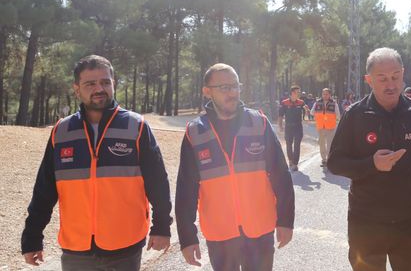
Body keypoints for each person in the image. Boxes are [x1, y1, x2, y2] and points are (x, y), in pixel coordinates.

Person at [21, 55, 172, 270]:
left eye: (105, 82)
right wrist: (32, 237)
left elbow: (157, 182)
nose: (99, 88)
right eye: (90, 84)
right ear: (77, 89)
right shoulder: (61, 131)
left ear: (114, 84)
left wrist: (162, 226)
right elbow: (44, 190)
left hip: (125, 245)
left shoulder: (136, 126)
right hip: (77, 248)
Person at [328, 47, 411, 271]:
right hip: (365, 221)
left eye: (395, 77)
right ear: (368, 80)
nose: (390, 84)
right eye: (382, 78)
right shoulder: (355, 115)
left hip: (410, 220)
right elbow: (335, 162)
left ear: (403, 74)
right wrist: (371, 164)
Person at [176, 63, 295, 270]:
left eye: (235, 86)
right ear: (207, 92)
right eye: (224, 87)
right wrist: (187, 237)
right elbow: (186, 190)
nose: (232, 92)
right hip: (220, 234)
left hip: (260, 230)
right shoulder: (194, 133)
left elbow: (281, 176)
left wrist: (286, 220)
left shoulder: (260, 123)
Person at [278, 85, 309, 171]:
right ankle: (290, 160)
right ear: (292, 93)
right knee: (289, 144)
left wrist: (306, 111)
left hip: (298, 127)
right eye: (297, 92)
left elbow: (306, 116)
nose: (298, 93)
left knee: (297, 145)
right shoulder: (284, 102)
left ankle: (295, 163)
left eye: (299, 92)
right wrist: (280, 126)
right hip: (288, 127)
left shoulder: (301, 102)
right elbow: (280, 116)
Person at [310, 88, 340, 167]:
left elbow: (338, 115)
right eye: (323, 94)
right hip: (320, 127)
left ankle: (329, 160)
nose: (325, 95)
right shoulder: (317, 103)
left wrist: (337, 121)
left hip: (330, 127)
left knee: (330, 144)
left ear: (330, 95)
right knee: (322, 144)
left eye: (326, 94)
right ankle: (324, 159)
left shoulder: (334, 103)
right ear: (322, 94)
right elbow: (312, 112)